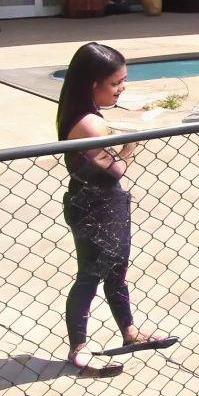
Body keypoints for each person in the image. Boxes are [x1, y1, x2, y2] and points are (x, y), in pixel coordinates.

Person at [56, 42, 175, 371]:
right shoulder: (90, 124)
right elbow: (116, 168)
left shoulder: (85, 113)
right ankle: (78, 347)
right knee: (90, 276)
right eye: (115, 83)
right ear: (93, 83)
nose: (122, 89)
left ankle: (129, 331)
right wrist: (130, 147)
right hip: (92, 205)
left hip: (105, 201)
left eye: (123, 81)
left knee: (116, 272)